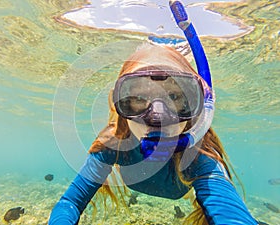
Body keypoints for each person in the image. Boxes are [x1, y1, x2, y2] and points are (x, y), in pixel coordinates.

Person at [49, 1, 260, 224]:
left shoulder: (198, 157)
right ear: (118, 102)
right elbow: (70, 203)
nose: (157, 117)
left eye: (176, 97)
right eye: (139, 99)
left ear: (197, 107)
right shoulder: (114, 144)